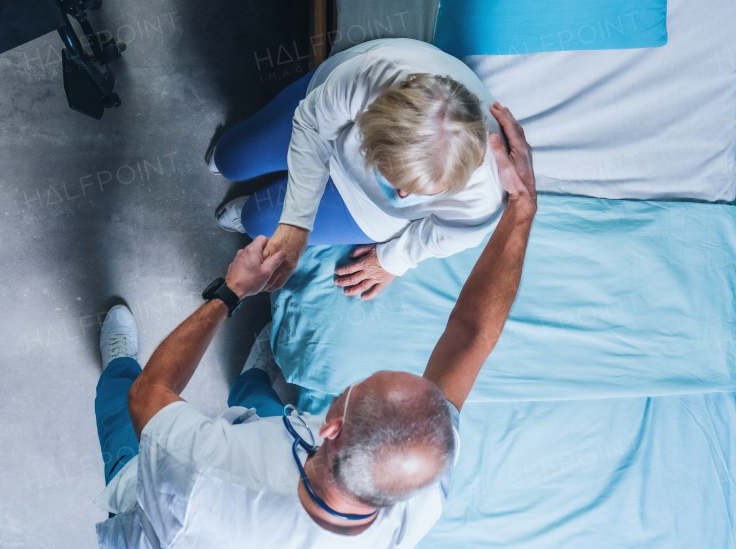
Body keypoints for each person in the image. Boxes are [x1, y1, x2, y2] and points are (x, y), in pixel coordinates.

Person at [91, 103, 536, 548]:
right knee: (258, 402)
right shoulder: (416, 477)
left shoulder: (198, 480)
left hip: (151, 507)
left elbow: (150, 394)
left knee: (122, 414)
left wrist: (231, 292)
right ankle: (251, 377)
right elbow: (470, 334)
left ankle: (117, 364)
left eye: (359, 387)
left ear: (331, 427)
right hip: (285, 448)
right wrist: (521, 208)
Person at [209, 38, 506, 299]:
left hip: (365, 209)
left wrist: (392, 261)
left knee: (255, 221)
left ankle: (255, 207)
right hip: (327, 130)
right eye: (392, 177)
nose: (401, 196)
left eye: (415, 191)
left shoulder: (485, 196)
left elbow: (448, 235)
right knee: (230, 159)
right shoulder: (372, 75)